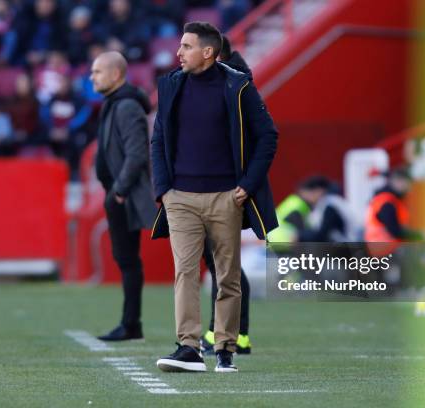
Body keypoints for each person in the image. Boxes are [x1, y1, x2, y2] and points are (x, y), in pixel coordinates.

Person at [151, 22, 278, 373]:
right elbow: (158, 136)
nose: (178, 53)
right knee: (185, 273)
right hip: (180, 198)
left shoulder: (238, 85)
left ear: (208, 52)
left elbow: (268, 136)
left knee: (227, 277)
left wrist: (248, 185)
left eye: (186, 46)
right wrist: (164, 189)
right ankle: (188, 348)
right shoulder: (171, 85)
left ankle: (225, 350)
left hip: (227, 197)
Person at [90, 51, 157, 341]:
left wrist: (119, 189)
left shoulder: (126, 106)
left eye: (97, 72)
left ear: (116, 74)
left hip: (124, 195)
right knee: (126, 259)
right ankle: (131, 323)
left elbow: (137, 152)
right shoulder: (115, 103)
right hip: (116, 193)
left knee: (129, 260)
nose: (92, 77)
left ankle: (131, 324)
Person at [199, 34, 253, 356]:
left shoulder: (234, 90)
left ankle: (224, 333)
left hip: (223, 188)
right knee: (222, 264)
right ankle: (231, 333)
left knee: (223, 265)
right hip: (215, 186)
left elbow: (262, 138)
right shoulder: (234, 87)